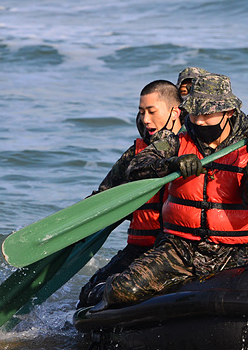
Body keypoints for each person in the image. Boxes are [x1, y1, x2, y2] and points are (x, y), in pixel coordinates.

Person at [85, 73, 248, 307]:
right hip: (180, 247)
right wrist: (170, 164)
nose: (200, 121)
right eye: (195, 113)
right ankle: (103, 290)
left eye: (207, 114)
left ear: (229, 113)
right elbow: (137, 167)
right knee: (122, 291)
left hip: (235, 252)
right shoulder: (174, 139)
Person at [76, 80, 183, 308]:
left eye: (152, 112)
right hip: (140, 249)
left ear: (175, 112)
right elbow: (105, 196)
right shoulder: (137, 152)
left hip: (175, 249)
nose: (145, 119)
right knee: (89, 295)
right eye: (141, 112)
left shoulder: (192, 149)